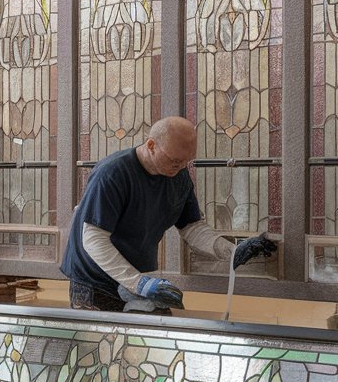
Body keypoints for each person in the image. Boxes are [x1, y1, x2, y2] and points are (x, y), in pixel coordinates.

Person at [60, 116, 277, 313]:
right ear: (151, 145)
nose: (181, 166)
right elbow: (93, 239)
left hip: (136, 279)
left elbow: (192, 227)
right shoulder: (112, 174)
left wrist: (232, 251)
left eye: (186, 161)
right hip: (95, 282)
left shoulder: (179, 176)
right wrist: (140, 283)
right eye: (175, 160)